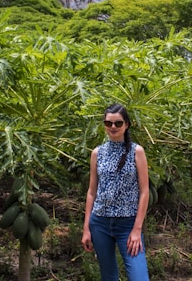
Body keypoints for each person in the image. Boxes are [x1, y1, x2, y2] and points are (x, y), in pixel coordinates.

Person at [81, 103, 150, 281]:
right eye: (108, 123)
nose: (113, 127)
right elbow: (91, 192)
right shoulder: (97, 153)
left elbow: (144, 191)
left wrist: (137, 229)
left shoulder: (137, 152)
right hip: (100, 223)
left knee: (139, 276)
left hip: (127, 224)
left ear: (126, 124)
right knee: (108, 276)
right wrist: (86, 228)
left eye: (118, 123)